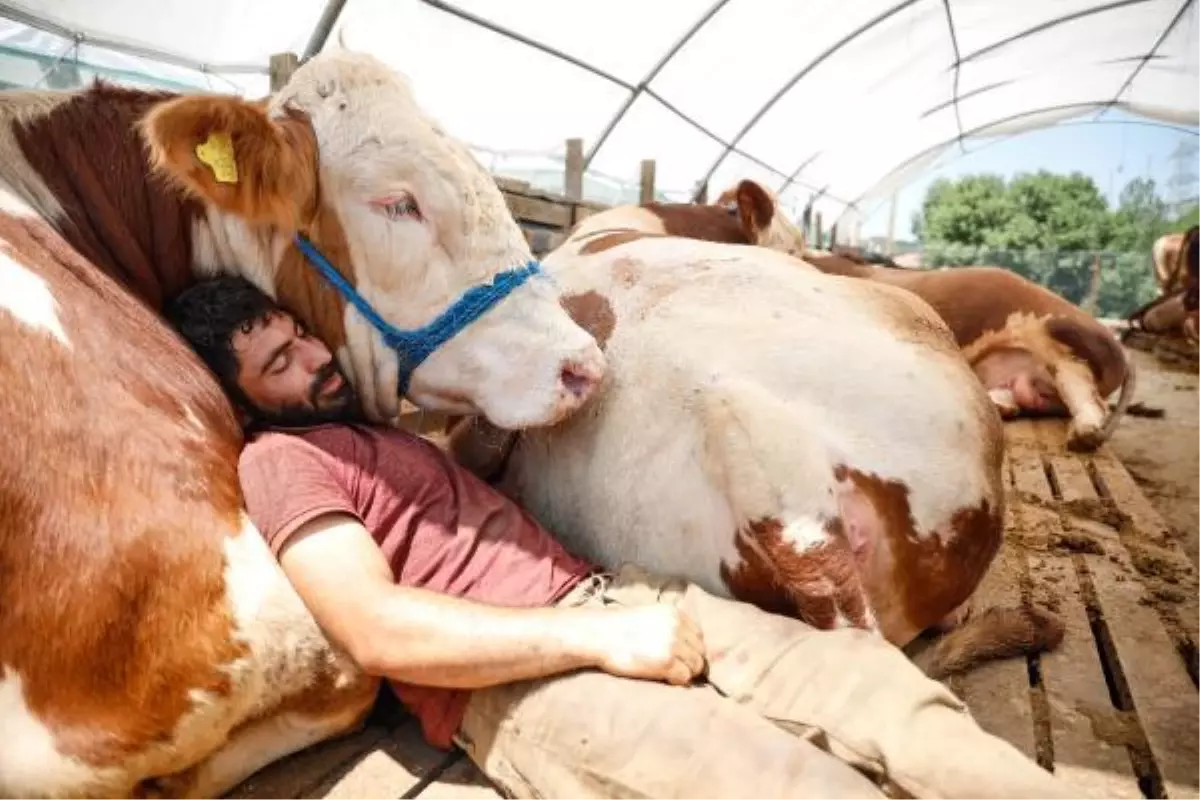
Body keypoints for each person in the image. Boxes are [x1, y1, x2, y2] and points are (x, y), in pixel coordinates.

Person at [166, 276, 1078, 800]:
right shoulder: (281, 464)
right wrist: (596, 638)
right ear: (242, 399)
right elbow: (373, 628)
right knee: (788, 787)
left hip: (629, 596)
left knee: (871, 691)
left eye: (301, 338)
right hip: (527, 687)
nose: (314, 360)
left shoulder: (377, 429)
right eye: (277, 364)